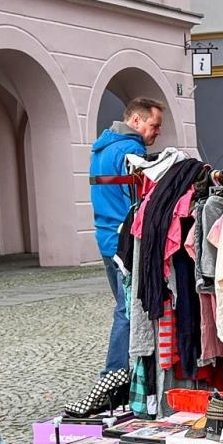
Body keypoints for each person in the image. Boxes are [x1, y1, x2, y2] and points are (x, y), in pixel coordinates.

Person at [90, 97, 164, 372]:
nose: (157, 132)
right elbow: (143, 198)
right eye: (154, 126)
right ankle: (114, 373)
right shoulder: (131, 149)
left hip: (106, 237)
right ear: (136, 121)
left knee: (125, 307)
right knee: (128, 309)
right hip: (125, 240)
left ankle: (124, 372)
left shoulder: (101, 149)